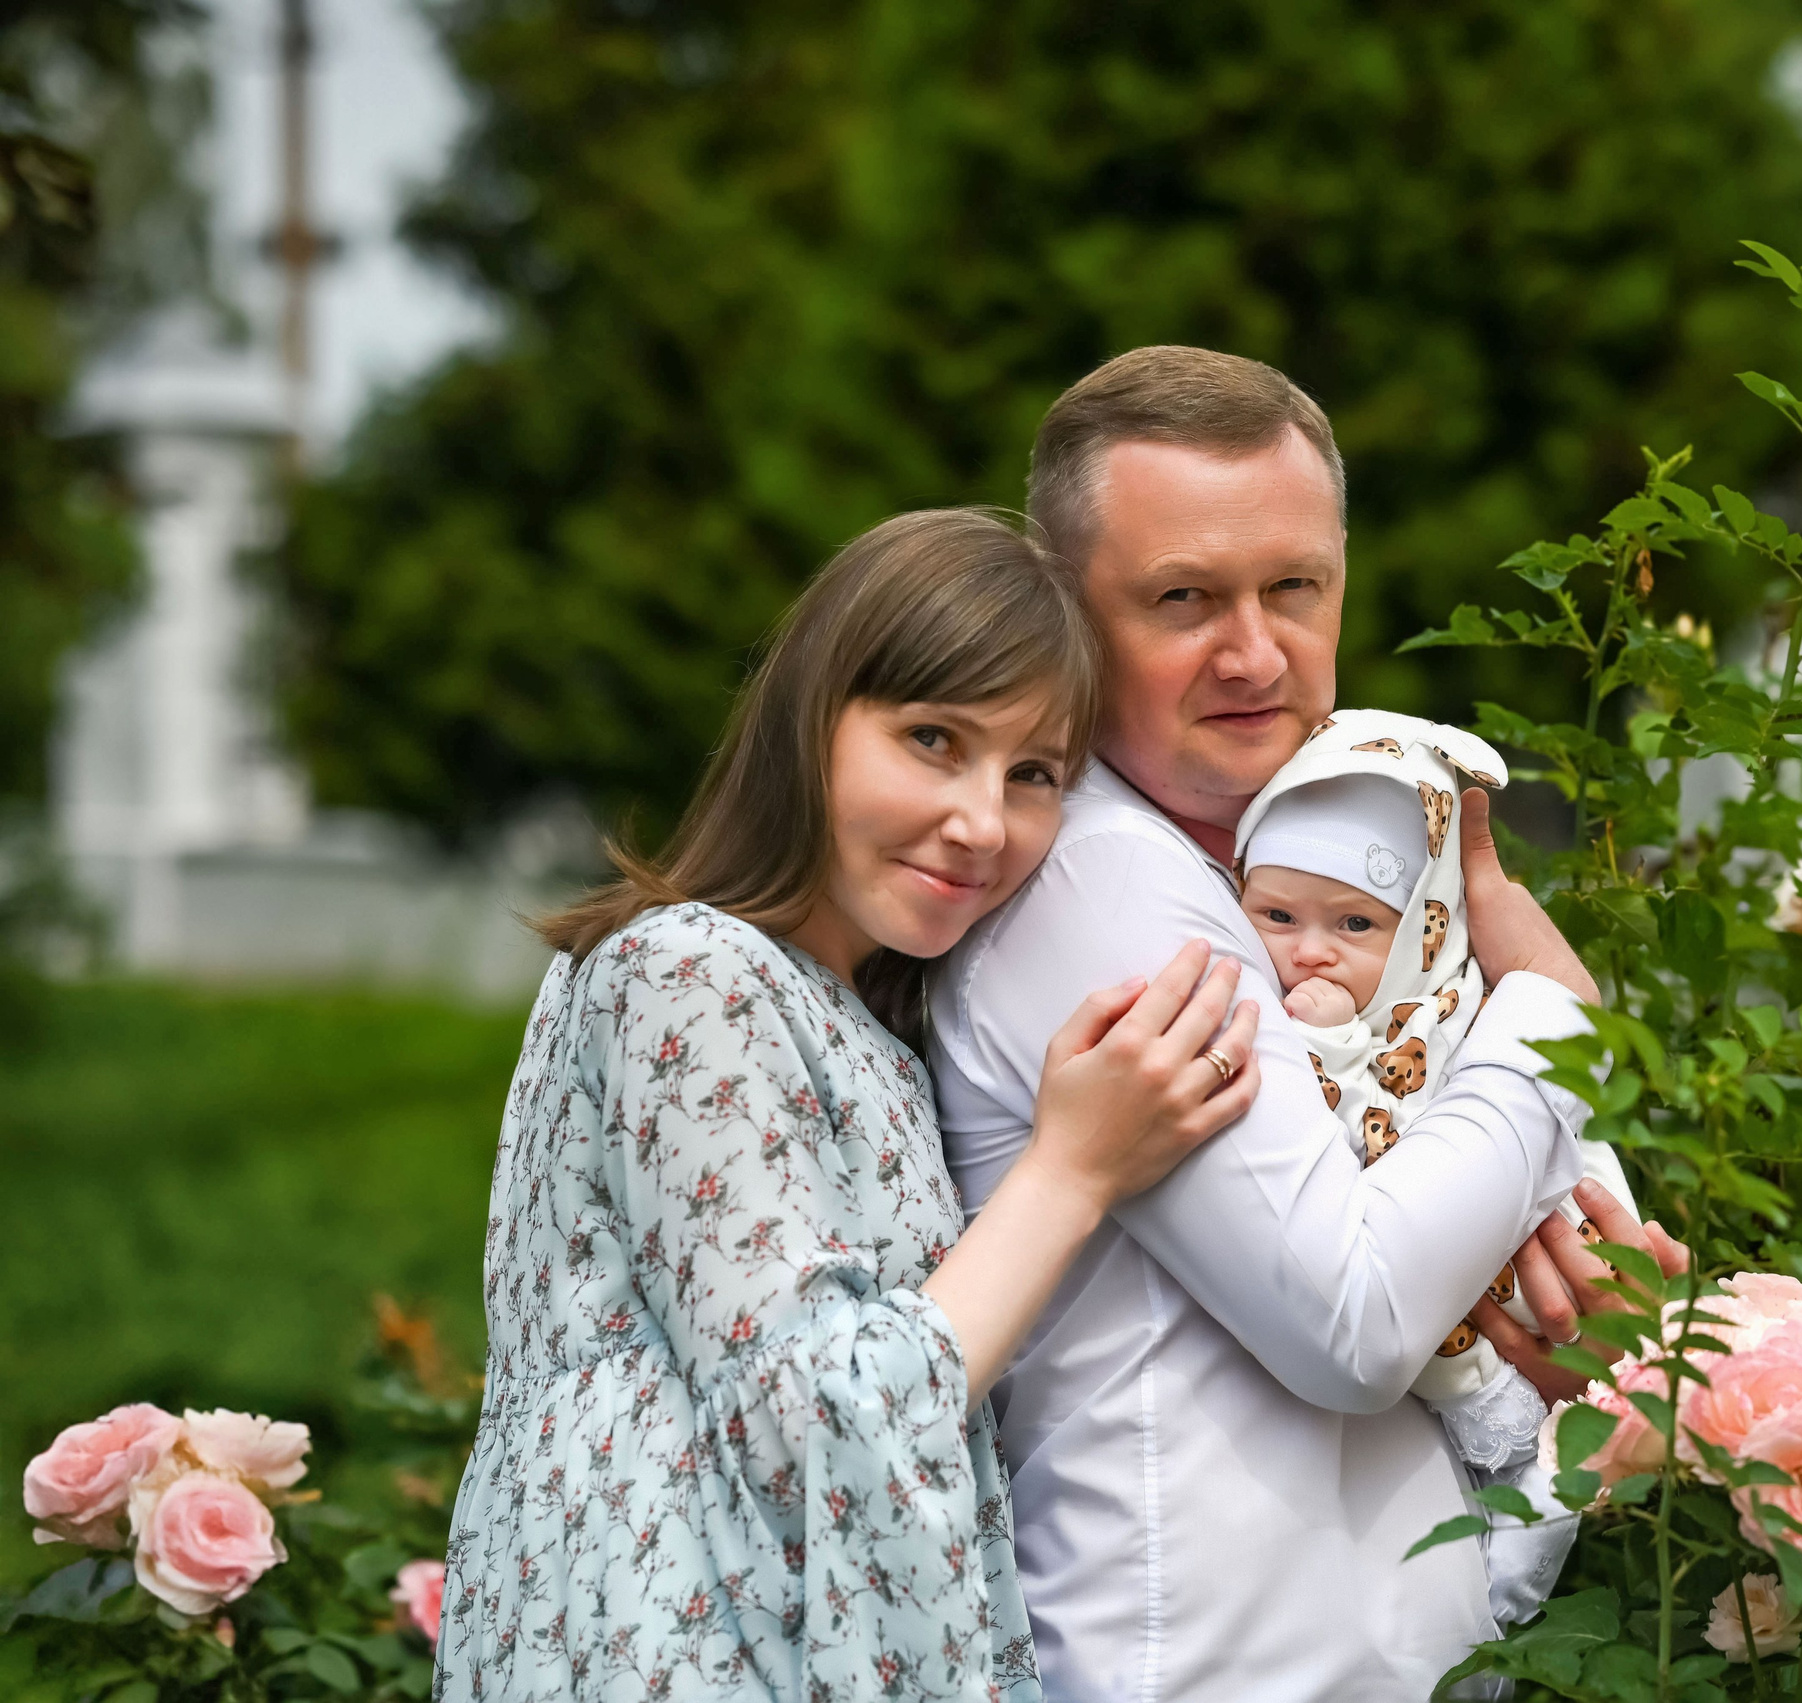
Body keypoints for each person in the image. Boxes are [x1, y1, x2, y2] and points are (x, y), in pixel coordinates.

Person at [929, 348, 1689, 1700]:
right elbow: (1358, 1316)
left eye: (1295, 586)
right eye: (1183, 599)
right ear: (1066, 616)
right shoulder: (1102, 882)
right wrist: (1556, 1013)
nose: (1256, 652)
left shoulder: (1299, 873)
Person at [440, 509, 1264, 1701]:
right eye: (933, 739)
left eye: (1033, 773)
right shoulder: (687, 970)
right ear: (810, 717)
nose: (983, 821)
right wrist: (1070, 1172)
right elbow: (813, 1429)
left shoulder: (862, 1026)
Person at [1230, 706, 1647, 1630]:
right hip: (1449, 1289)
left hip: (1539, 1235)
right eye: (1276, 914)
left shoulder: (1453, 1000)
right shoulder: (1278, 1014)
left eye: (1354, 921)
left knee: (1550, 1428)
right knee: (1509, 1438)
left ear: (1426, 926)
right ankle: (1525, 1524)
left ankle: (1543, 1510)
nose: (1309, 947)